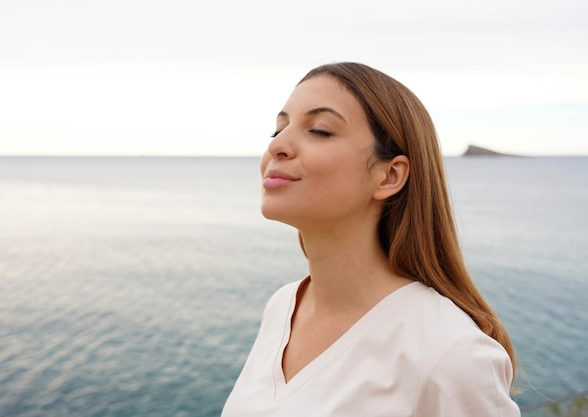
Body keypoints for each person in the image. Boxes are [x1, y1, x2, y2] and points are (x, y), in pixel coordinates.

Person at [221, 62, 520, 416]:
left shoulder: (450, 353)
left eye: (319, 130)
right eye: (277, 130)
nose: (278, 146)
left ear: (389, 175)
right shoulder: (282, 307)